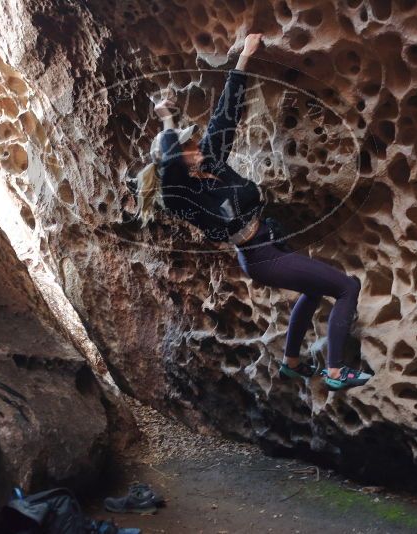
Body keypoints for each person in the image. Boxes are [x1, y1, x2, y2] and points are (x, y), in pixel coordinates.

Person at [135, 34, 370, 391]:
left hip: (270, 239)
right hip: (259, 256)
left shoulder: (211, 160)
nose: (196, 146)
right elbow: (168, 164)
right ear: (177, 158)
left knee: (314, 291)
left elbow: (225, 114)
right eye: (189, 146)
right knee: (346, 287)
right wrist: (167, 122)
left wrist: (244, 58)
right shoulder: (181, 196)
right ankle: (336, 372)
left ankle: (291, 364)